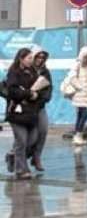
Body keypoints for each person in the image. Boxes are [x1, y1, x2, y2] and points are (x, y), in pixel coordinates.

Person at [5, 48, 39, 180]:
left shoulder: (33, 72)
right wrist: (28, 93)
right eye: (29, 58)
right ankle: (21, 170)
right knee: (22, 140)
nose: (31, 60)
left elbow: (41, 88)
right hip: (17, 113)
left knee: (32, 139)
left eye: (32, 58)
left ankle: (12, 155)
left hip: (31, 112)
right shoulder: (14, 73)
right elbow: (12, 91)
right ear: (21, 59)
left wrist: (37, 95)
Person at [61, 46, 87, 145]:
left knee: (80, 114)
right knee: (85, 113)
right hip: (79, 94)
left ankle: (78, 137)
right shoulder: (78, 64)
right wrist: (80, 87)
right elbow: (72, 77)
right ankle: (78, 135)